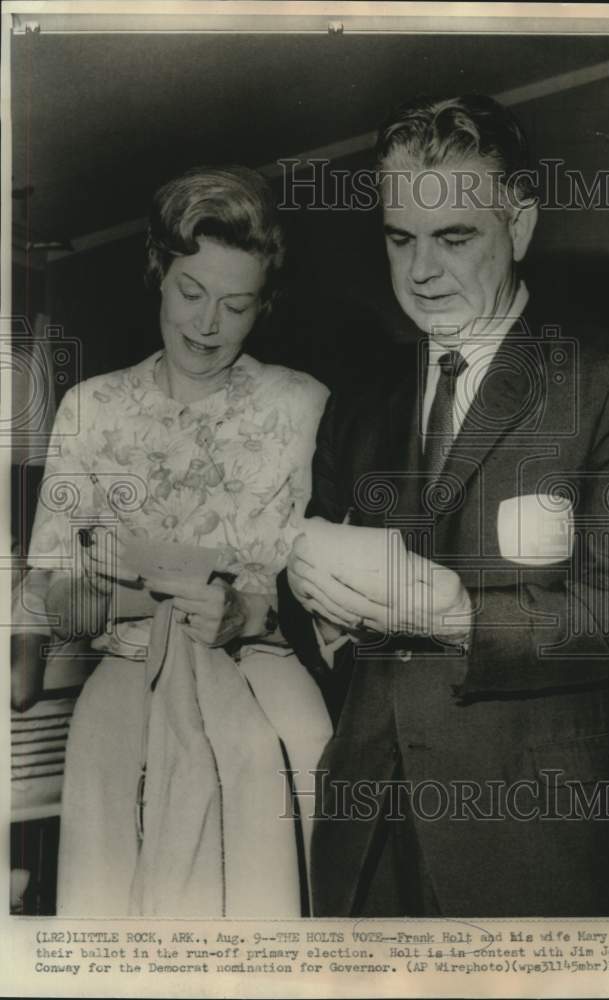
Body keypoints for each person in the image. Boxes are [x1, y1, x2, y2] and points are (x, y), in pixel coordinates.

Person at [279, 94, 609, 917]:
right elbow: (305, 610)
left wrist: (461, 613)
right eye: (400, 239)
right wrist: (319, 610)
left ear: (521, 226)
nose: (421, 270)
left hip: (543, 840)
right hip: (371, 837)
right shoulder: (358, 403)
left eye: (455, 237)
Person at [22, 165, 332, 917]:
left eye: (236, 305)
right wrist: (144, 596)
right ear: (158, 273)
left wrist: (246, 614)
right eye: (191, 294)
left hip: (263, 685)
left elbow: (328, 593)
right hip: (123, 691)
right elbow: (54, 594)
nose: (206, 325)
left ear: (265, 304)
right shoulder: (89, 408)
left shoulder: (303, 405)